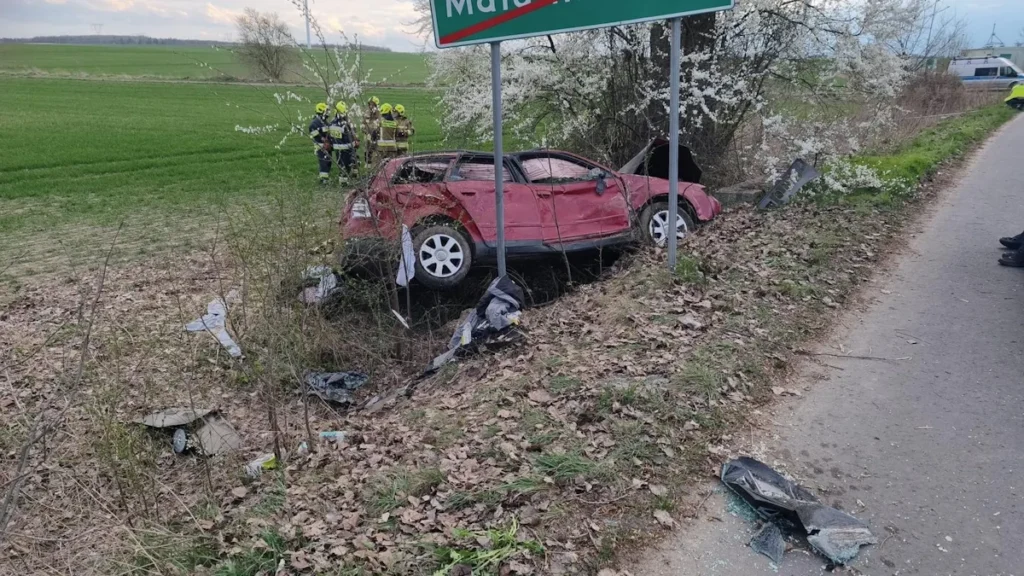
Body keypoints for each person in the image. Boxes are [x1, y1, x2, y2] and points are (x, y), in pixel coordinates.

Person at [329, 102, 357, 182]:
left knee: (341, 165)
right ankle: (345, 181)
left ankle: (343, 182)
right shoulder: (346, 123)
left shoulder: (332, 122)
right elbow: (351, 134)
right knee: (348, 164)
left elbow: (331, 135)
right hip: (347, 147)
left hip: (337, 148)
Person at [308, 102, 332, 184]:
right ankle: (323, 180)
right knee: (324, 162)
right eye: (326, 111)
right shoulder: (315, 123)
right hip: (321, 146)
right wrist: (323, 139)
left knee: (328, 162)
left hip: (327, 146)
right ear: (321, 111)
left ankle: (326, 177)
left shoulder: (324, 121)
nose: (328, 113)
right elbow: (313, 132)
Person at [362, 96, 381, 165]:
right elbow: (363, 122)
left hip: (376, 134)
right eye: (370, 104)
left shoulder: (379, 113)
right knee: (367, 148)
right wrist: (364, 130)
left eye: (372, 104)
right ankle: (367, 163)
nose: (371, 106)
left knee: (376, 148)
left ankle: (376, 162)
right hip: (367, 134)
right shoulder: (367, 112)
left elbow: (380, 124)